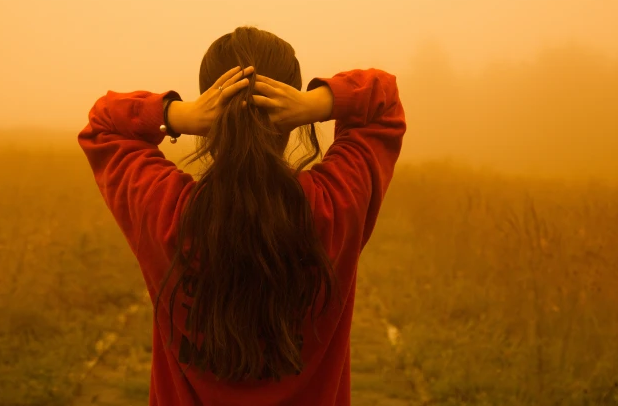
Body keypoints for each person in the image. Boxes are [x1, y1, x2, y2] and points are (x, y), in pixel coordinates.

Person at [78, 26, 406, 406]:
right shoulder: (334, 206)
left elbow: (103, 124)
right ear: (290, 115)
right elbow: (383, 101)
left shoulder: (165, 211)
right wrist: (317, 105)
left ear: (210, 112)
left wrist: (178, 115)